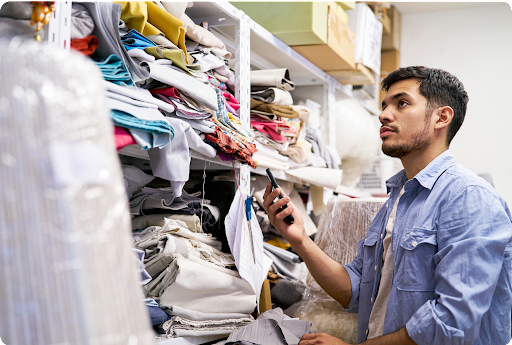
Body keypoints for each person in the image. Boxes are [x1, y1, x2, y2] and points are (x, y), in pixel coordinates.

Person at [263, 66, 512, 345]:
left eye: (401, 103)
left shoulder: (469, 198)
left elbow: (452, 323)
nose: (383, 114)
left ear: (442, 117)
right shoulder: (397, 199)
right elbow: (359, 291)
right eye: (384, 105)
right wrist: (300, 241)